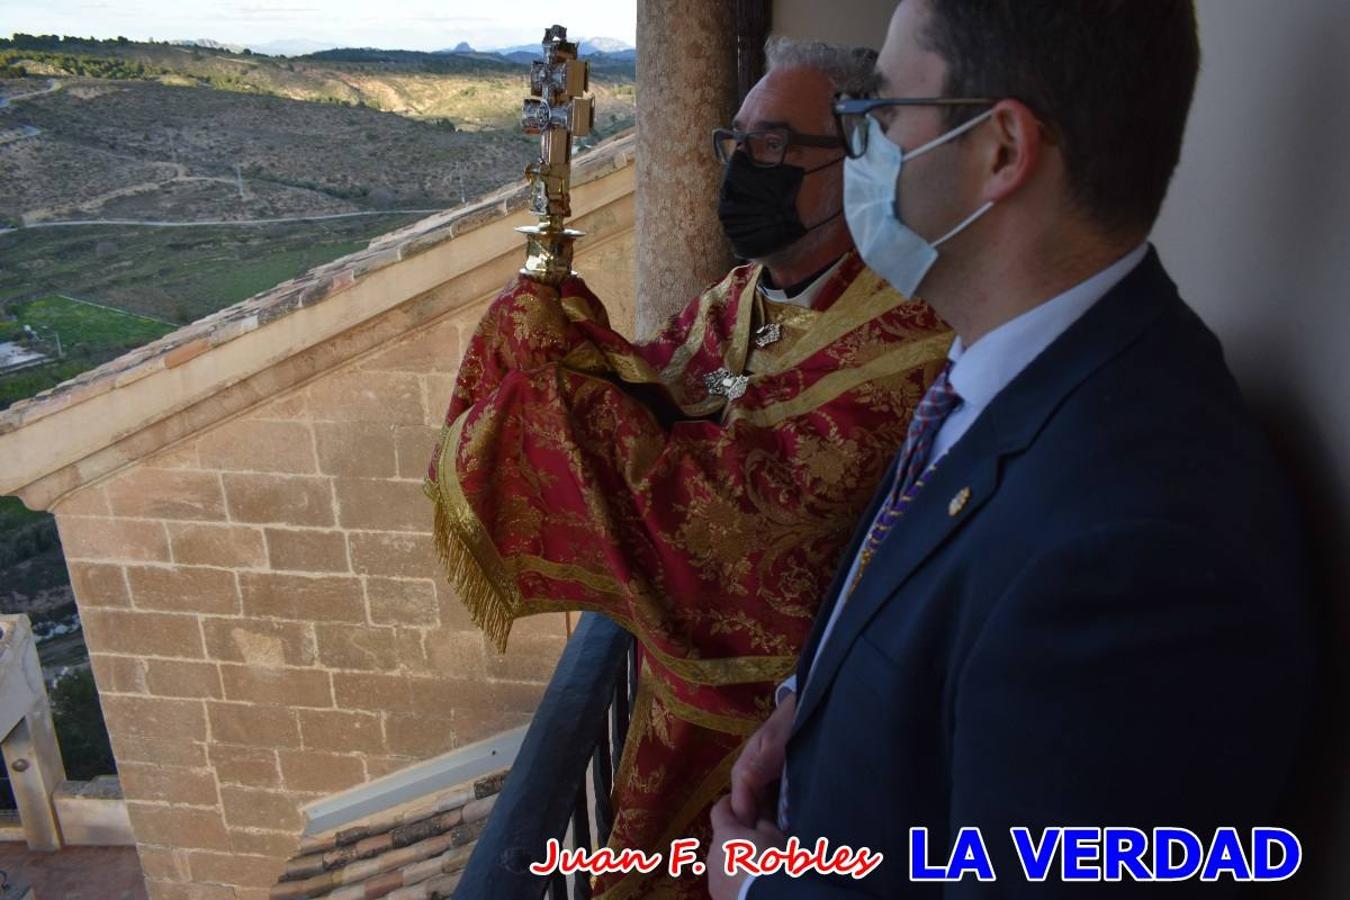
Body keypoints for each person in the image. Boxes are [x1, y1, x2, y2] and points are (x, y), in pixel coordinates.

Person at [712, 3, 1315, 898]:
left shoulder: (1134, 555)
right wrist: (814, 709)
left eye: (880, 112)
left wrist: (764, 891)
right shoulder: (1020, 373)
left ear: (1001, 149)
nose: (859, 146)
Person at [423, 39, 953, 899]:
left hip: (784, 759)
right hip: (674, 715)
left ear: (861, 156)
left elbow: (739, 524)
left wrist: (559, 405)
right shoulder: (739, 295)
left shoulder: (914, 344)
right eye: (735, 141)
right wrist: (561, 332)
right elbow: (652, 388)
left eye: (774, 145)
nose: (744, 167)